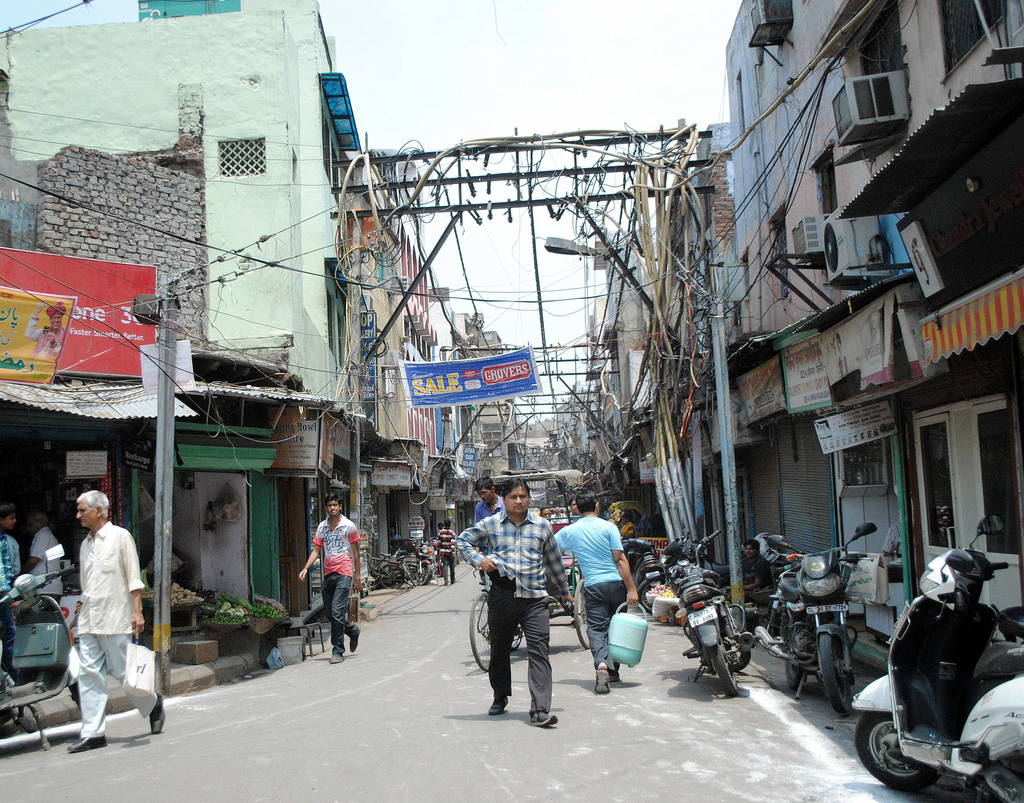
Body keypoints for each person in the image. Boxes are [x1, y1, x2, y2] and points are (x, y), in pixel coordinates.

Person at [457, 479, 570, 728]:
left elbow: (554, 561)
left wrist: (565, 591)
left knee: (539, 651)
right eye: (513, 497)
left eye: (523, 496)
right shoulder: (491, 524)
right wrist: (479, 560)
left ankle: (540, 709)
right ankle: (500, 695)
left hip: (535, 599)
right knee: (499, 650)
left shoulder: (542, 526)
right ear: (504, 500)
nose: (519, 501)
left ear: (529, 498)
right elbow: (462, 541)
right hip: (502, 595)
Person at [70, 490, 164, 754]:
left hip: (115, 617)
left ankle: (153, 703)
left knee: (125, 675)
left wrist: (138, 612)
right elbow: (87, 584)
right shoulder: (85, 544)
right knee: (89, 676)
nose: (78, 516)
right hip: (89, 619)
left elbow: (134, 579)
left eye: (82, 510)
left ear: (99, 511)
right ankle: (93, 733)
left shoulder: (120, 537)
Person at [556, 490, 639, 694]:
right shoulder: (609, 527)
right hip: (616, 584)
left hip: (593, 587)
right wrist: (632, 589)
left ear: (577, 508)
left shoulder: (570, 531)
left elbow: (548, 544)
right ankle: (613, 671)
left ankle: (602, 665)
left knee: (596, 629)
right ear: (597, 506)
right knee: (616, 627)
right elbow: (620, 559)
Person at [299, 494, 361, 664]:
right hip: (329, 572)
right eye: (329, 505)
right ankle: (352, 630)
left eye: (335, 505)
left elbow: (355, 552)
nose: (332, 508)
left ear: (340, 506)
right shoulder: (322, 527)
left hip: (344, 572)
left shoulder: (349, 526)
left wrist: (357, 576)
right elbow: (316, 550)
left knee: (337, 610)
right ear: (326, 507)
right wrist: (305, 568)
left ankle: (338, 650)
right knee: (328, 612)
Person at [23, 511, 62, 596]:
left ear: (39, 523)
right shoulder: (47, 535)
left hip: (46, 587)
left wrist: (22, 574)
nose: (28, 529)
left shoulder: (43, 535)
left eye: (30, 525)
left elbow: (34, 560)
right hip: (49, 586)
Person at [0, 503, 18, 683]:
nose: (14, 521)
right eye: (11, 518)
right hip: (2, 594)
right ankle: (14, 675)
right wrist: (7, 595)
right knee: (10, 633)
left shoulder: (5, 539)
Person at [742, 539, 773, 605]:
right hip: (749, 589)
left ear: (757, 550)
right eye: (746, 549)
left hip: (761, 592)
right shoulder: (744, 561)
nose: (748, 551)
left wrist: (740, 588)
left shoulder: (760, 563)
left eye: (751, 549)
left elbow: (757, 584)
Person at [435, 520, 456, 585]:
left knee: (445, 566)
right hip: (450, 552)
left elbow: (438, 543)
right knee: (452, 567)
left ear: (444, 524)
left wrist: (438, 551)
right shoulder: (452, 532)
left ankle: (446, 581)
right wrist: (453, 552)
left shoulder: (440, 532)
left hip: (443, 552)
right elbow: (453, 543)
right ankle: (452, 581)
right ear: (449, 525)